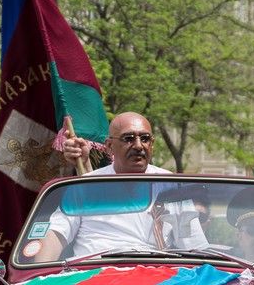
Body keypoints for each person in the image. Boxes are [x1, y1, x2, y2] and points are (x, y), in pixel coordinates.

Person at [35, 112, 207, 261]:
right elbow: (56, 234)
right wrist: (34, 279)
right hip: (94, 278)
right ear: (110, 146)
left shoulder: (170, 184)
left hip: (156, 279)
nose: (139, 145)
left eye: (145, 139)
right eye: (129, 138)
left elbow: (193, 245)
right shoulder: (86, 185)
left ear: (152, 144)